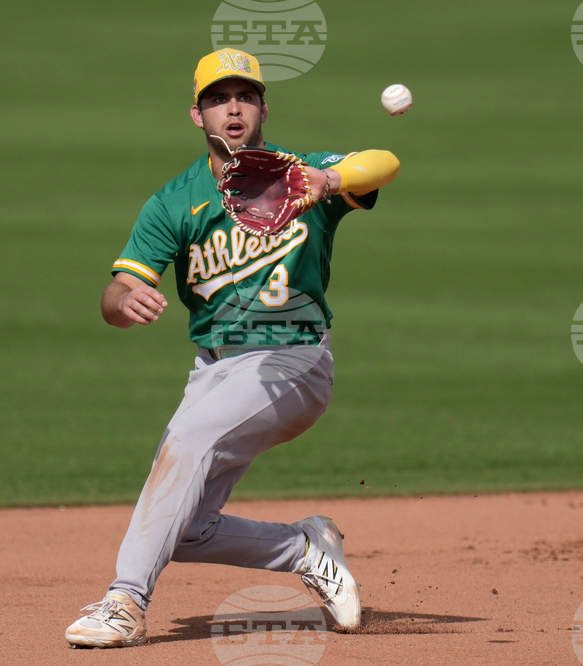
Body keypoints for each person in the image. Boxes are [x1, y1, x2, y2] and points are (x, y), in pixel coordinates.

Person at [65, 48, 400, 648]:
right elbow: (117, 291)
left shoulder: (302, 173)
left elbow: (384, 161)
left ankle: (124, 602)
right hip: (214, 372)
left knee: (187, 445)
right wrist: (125, 301)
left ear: (263, 107)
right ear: (198, 116)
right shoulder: (174, 202)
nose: (233, 108)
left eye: (244, 96)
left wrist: (327, 182)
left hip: (293, 362)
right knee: (185, 527)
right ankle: (303, 548)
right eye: (218, 99)